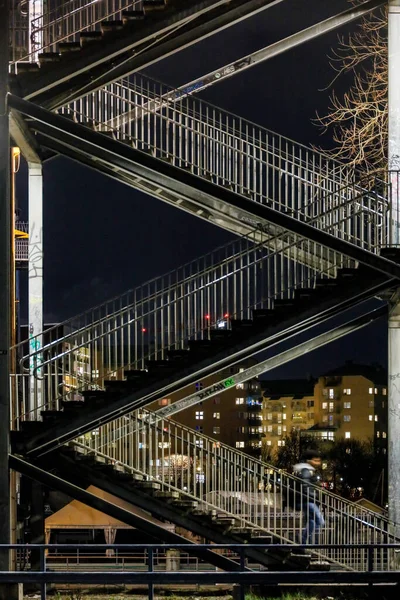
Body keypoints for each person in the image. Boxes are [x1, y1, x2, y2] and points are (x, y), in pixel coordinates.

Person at [292, 449, 325, 547]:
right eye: (316, 460)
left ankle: (303, 541)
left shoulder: (307, 470)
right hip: (307, 500)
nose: (318, 463)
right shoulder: (306, 470)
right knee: (320, 521)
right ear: (309, 460)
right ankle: (311, 542)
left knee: (312, 521)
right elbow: (305, 486)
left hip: (305, 500)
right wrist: (314, 496)